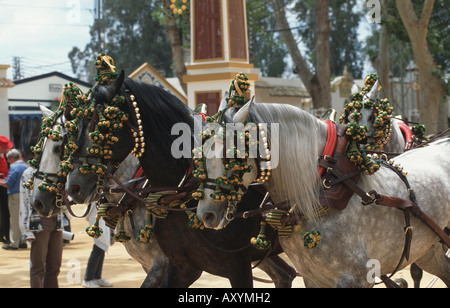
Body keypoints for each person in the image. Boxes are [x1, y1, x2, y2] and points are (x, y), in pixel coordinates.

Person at [19, 167, 64, 288]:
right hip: (38, 222)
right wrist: (25, 230)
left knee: (54, 266)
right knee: (38, 267)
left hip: (57, 222)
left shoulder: (57, 171)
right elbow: (24, 201)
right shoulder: (29, 173)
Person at [0, 149, 28, 250]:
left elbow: (9, 183)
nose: (7, 161)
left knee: (15, 220)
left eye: (8, 159)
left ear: (12, 158)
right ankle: (23, 241)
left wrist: (1, 182)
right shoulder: (25, 166)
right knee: (24, 219)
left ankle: (14, 243)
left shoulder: (14, 167)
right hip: (25, 195)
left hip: (15, 195)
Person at [82, 206, 113, 288]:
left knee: (101, 249)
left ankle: (97, 277)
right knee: (97, 249)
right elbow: (88, 210)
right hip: (97, 220)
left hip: (104, 220)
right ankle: (87, 279)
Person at [0, 136, 12, 244]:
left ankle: (4, 234)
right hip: (1, 186)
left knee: (5, 212)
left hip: (5, 185)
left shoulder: (4, 156)